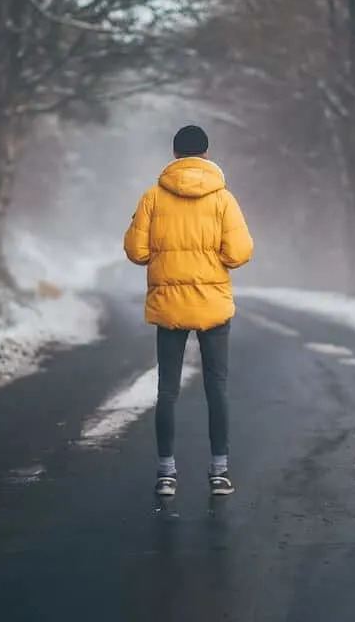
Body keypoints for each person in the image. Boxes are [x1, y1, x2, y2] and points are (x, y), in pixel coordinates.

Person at [123, 124, 254, 497]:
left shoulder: (153, 197)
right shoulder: (224, 200)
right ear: (207, 154)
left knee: (167, 391)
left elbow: (136, 251)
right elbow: (239, 253)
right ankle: (219, 472)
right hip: (213, 306)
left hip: (169, 306)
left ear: (175, 155)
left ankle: (166, 473)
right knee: (217, 387)